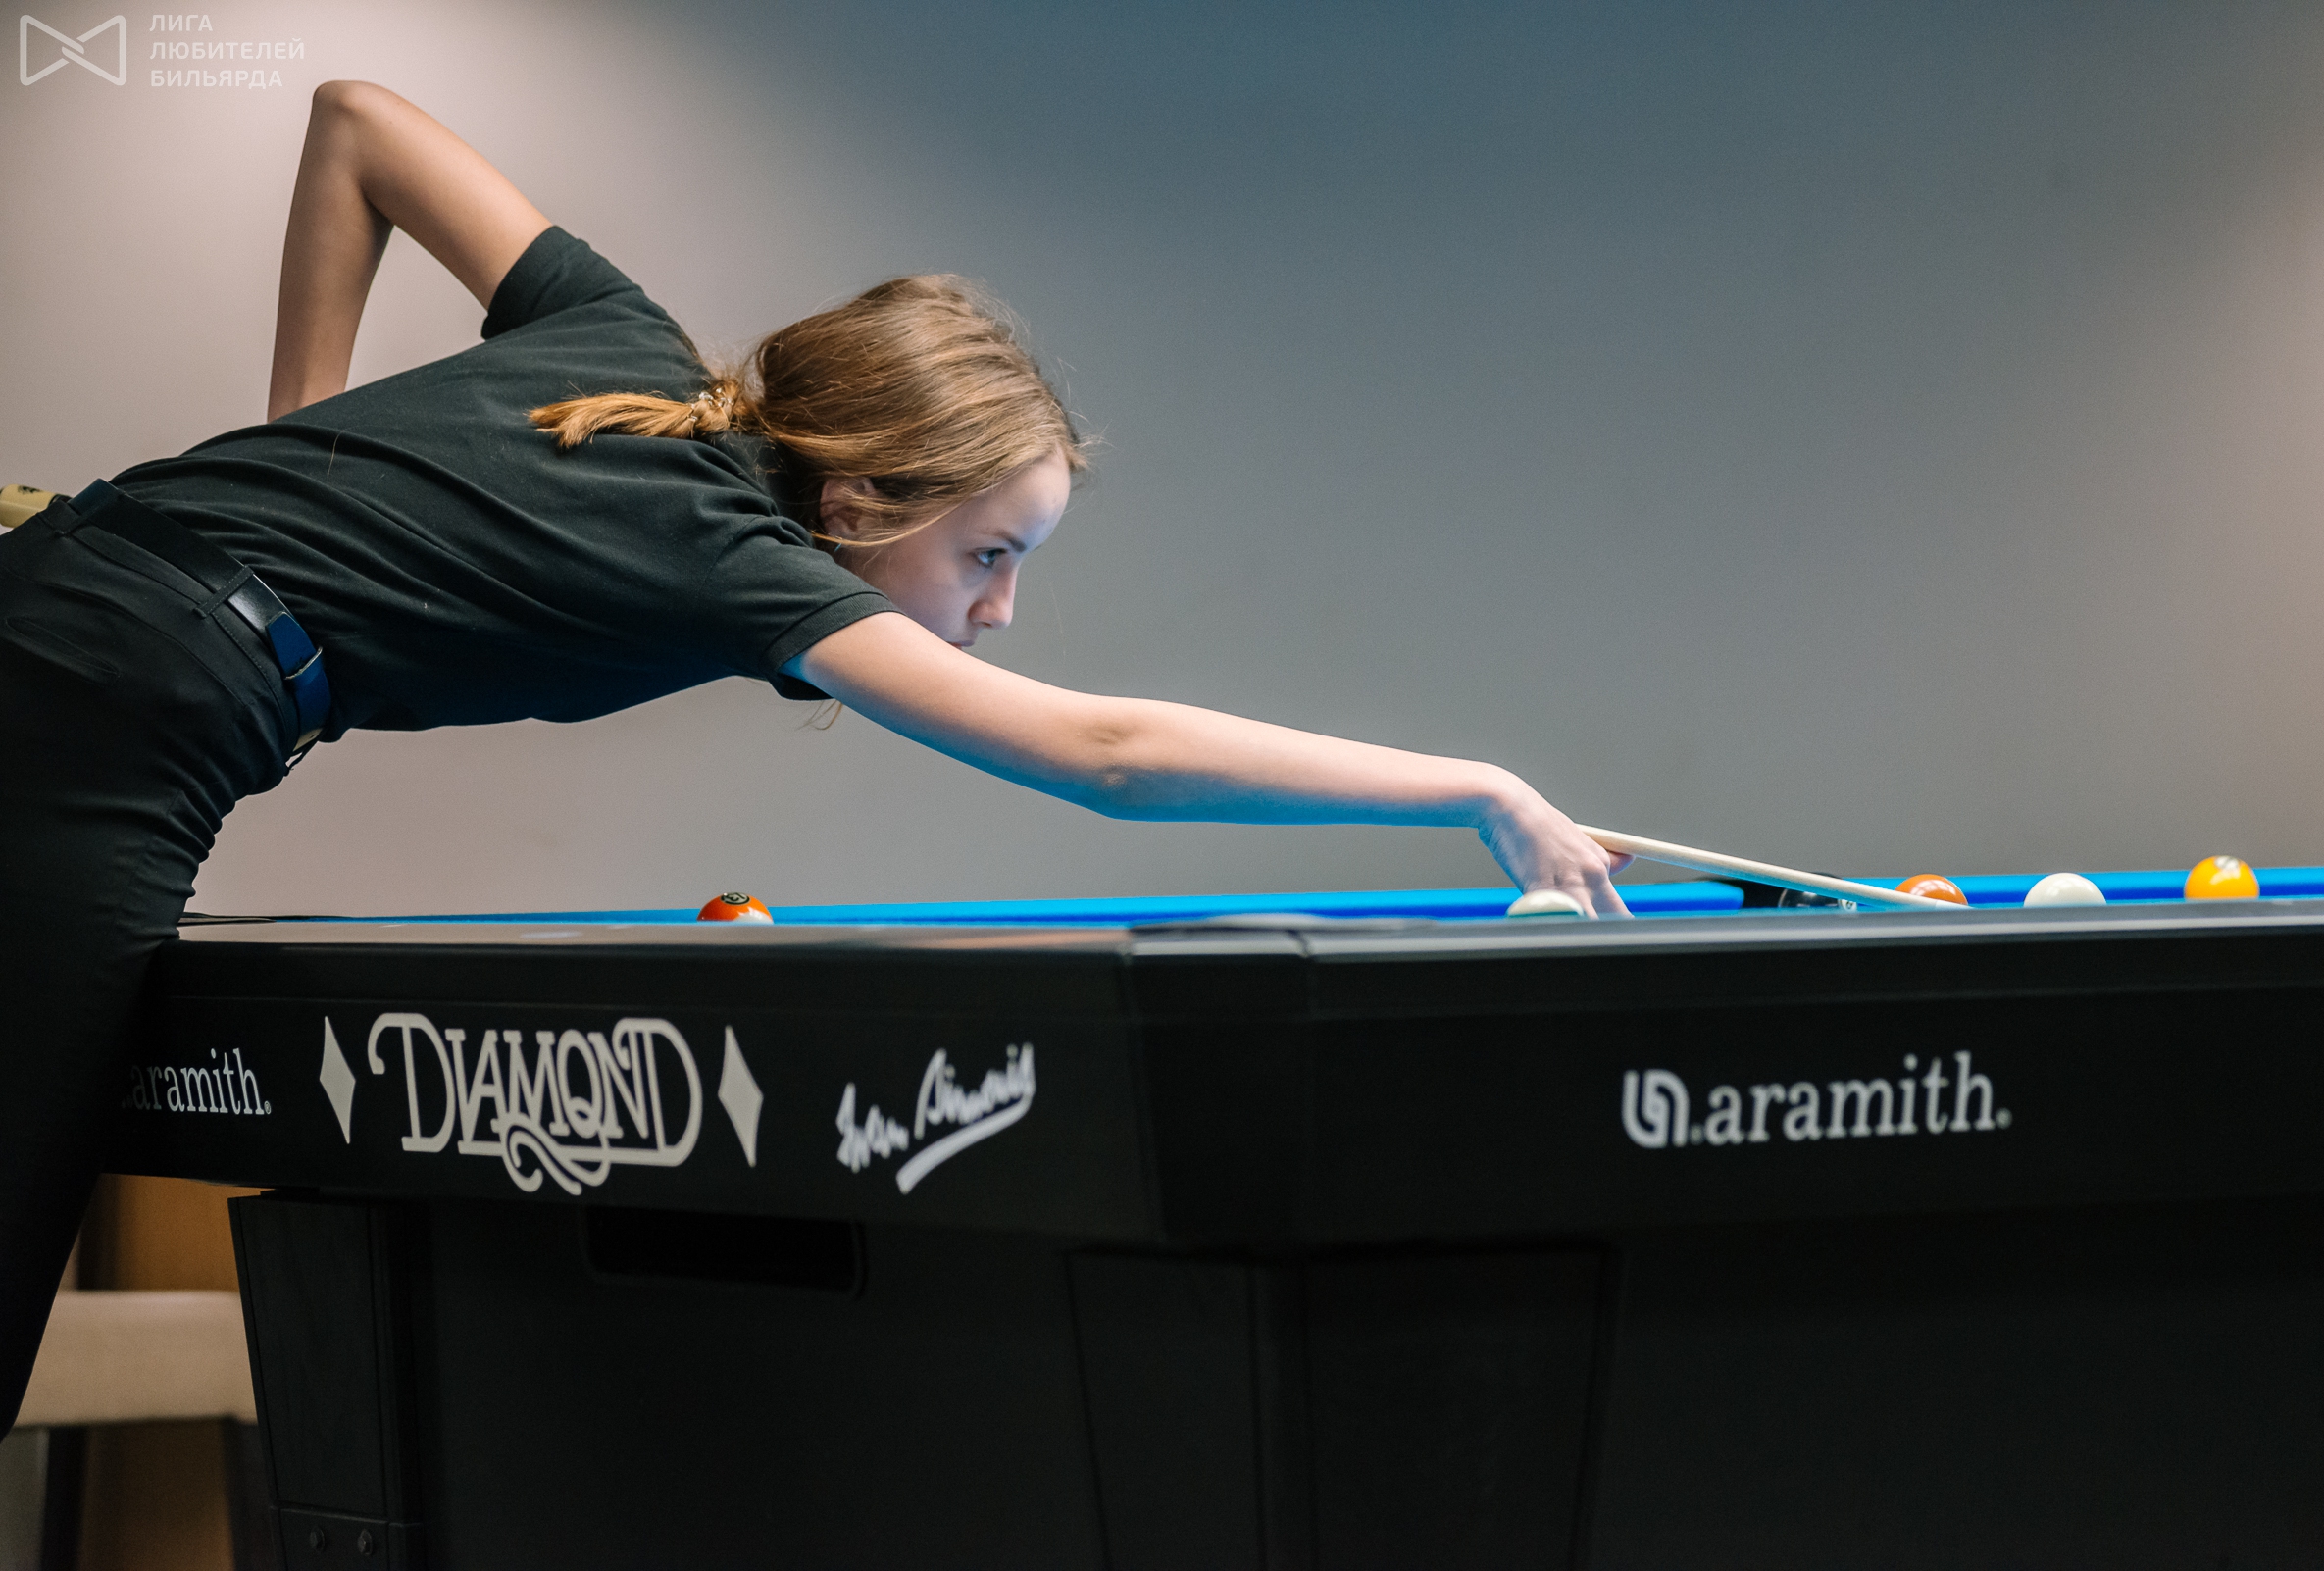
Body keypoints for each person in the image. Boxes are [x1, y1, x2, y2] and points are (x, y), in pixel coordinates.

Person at [0, 80, 1627, 1422]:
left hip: (59, 589)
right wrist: (1478, 788)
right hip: (118, 715)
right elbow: (1107, 751)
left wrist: (297, 441)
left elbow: (357, 124)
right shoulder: (752, 567)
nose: (997, 611)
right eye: (990, 556)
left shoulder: (623, 334)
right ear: (854, 502)